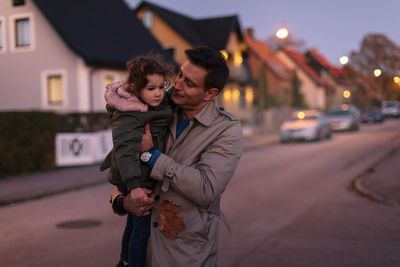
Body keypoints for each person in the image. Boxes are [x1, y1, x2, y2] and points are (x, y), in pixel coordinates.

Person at [111, 46, 244, 267]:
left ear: (210, 94)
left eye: (189, 83)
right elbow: (121, 162)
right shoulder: (156, 105)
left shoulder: (226, 130)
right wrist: (123, 202)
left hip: (183, 256)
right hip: (140, 253)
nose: (178, 85)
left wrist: (151, 156)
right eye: (180, 74)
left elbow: (206, 188)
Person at [100, 54, 174, 267]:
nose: (159, 93)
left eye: (162, 87)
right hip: (135, 176)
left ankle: (124, 261)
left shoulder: (151, 103)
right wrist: (134, 187)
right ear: (134, 88)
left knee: (133, 225)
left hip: (139, 172)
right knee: (141, 231)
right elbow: (124, 151)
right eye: (151, 89)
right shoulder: (130, 113)